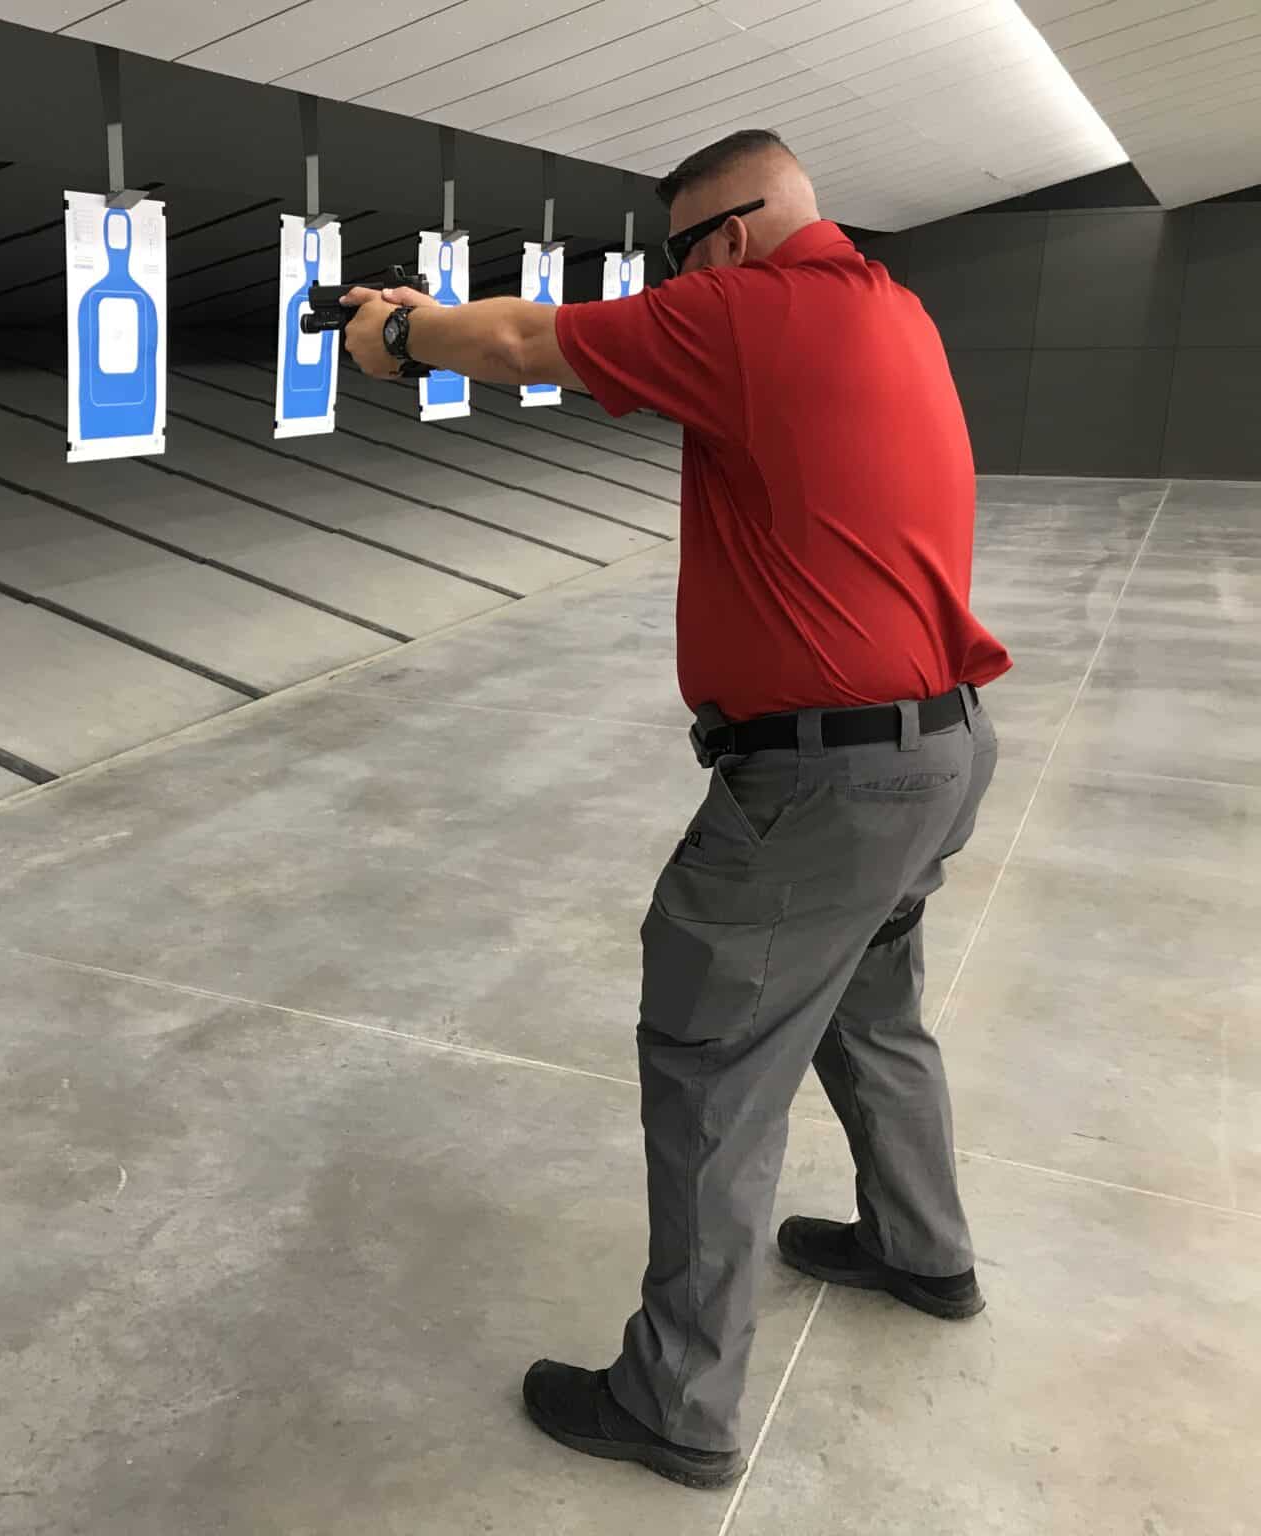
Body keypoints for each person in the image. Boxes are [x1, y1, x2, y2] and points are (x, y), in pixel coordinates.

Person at [343, 129, 1012, 1490]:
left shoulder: (752, 309)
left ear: (728, 240)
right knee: (872, 1017)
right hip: (933, 754)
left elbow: (532, 341)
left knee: (715, 1065)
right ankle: (920, 1248)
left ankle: (678, 1401)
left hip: (825, 786)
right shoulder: (891, 308)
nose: (673, 285)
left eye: (680, 257)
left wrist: (401, 333)